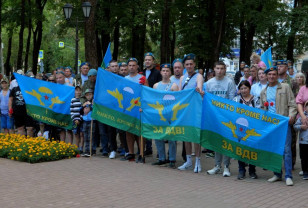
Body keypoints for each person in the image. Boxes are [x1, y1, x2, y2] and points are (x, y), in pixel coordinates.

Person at [260, 67, 297, 186]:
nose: (271, 76)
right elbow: (261, 108)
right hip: (271, 125)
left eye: (274, 74)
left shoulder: (285, 87)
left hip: (283, 123)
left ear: (277, 75)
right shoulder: (263, 91)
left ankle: (288, 176)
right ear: (266, 76)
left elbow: (292, 104)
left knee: (286, 150)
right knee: (274, 149)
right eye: (269, 74)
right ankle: (277, 174)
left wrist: (291, 116)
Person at [206, 61, 236, 177]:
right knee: (217, 141)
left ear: (225, 69)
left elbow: (231, 99)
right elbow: (207, 100)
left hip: (226, 116)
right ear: (214, 69)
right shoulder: (209, 83)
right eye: (217, 68)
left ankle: (226, 166)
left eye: (222, 68)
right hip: (214, 116)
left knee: (226, 141)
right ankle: (217, 166)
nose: (219, 71)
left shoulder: (229, 82)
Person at [177, 53, 203, 173]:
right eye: (187, 64)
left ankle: (198, 160)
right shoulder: (182, 78)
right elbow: (179, 93)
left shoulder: (199, 76)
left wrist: (199, 91)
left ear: (194, 65)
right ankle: (188, 160)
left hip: (195, 109)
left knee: (195, 136)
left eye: (191, 64)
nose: (189, 66)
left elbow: (200, 89)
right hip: (185, 110)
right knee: (186, 136)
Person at [152, 64, 179, 168]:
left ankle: (172, 159)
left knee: (172, 138)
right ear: (160, 72)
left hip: (170, 114)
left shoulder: (174, 86)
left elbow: (177, 101)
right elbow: (153, 99)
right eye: (163, 70)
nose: (165, 73)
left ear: (170, 73)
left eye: (167, 71)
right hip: (159, 114)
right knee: (158, 136)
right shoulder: (156, 85)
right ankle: (162, 158)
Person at [121, 58, 148, 162]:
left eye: (134, 65)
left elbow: (147, 92)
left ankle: (141, 154)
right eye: (130, 65)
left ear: (137, 66)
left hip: (139, 108)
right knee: (129, 131)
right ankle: (131, 153)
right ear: (127, 67)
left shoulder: (142, 78)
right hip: (128, 108)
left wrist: (145, 84)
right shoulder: (125, 79)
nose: (131, 67)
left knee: (139, 132)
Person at [233, 80, 258, 180]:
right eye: (241, 88)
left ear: (249, 88)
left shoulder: (256, 99)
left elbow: (259, 113)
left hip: (252, 128)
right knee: (240, 149)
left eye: (245, 88)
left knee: (252, 149)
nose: (243, 90)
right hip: (240, 128)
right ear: (239, 90)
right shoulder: (235, 100)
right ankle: (241, 170)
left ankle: (252, 170)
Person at [142, 52, 162, 156]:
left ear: (153, 61)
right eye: (146, 60)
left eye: (149, 60)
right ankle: (147, 148)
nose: (147, 61)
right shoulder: (141, 73)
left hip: (155, 103)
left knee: (156, 125)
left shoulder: (158, 73)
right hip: (144, 103)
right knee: (146, 125)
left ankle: (160, 151)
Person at [9, 72, 36, 136]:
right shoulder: (14, 89)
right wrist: (10, 109)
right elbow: (10, 99)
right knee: (20, 128)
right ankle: (22, 144)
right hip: (17, 111)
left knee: (30, 128)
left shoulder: (30, 88)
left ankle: (29, 143)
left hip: (29, 111)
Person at [294, 100, 308, 180]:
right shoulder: (301, 118)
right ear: (305, 108)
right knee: (303, 157)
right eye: (307, 106)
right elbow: (295, 126)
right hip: (303, 141)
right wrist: (301, 127)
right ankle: (304, 171)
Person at [81, 89, 95, 157]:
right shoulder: (85, 103)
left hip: (91, 121)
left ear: (92, 95)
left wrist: (90, 105)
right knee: (85, 136)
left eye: (90, 94)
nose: (88, 96)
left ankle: (91, 150)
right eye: (87, 95)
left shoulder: (93, 102)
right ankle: (86, 150)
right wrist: (83, 106)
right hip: (85, 121)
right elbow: (80, 111)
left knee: (91, 136)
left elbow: (94, 110)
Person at [70, 85, 83, 153]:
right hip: (74, 120)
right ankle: (76, 146)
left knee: (81, 134)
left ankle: (81, 147)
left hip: (81, 120)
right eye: (76, 90)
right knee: (76, 133)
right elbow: (71, 111)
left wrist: (79, 119)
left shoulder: (82, 100)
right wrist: (74, 119)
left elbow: (83, 111)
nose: (78, 92)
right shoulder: (73, 100)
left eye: (79, 90)